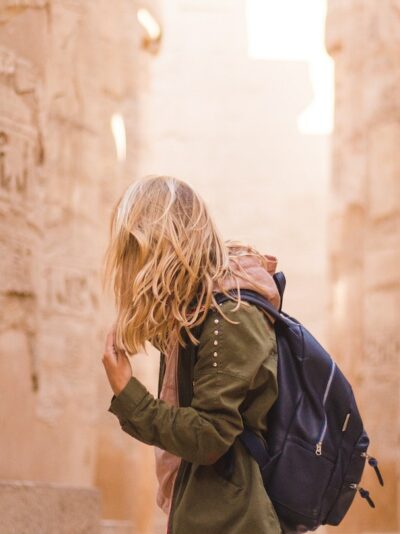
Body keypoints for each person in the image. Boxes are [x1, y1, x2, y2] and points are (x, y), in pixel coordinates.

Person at [101, 175, 282, 533]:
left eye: (135, 250)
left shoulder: (230, 315)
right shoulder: (202, 316)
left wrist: (128, 393)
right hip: (215, 514)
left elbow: (210, 435)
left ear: (160, 245)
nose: (131, 266)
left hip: (232, 521)